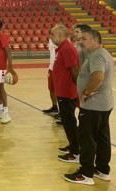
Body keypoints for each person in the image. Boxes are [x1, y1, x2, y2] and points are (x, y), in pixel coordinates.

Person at [64, 29, 113, 185]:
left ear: (95, 41)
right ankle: (102, 170)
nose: (81, 41)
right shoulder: (102, 53)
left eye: (84, 39)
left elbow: (98, 76)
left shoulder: (97, 55)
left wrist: (86, 92)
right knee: (102, 137)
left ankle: (85, 173)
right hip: (104, 104)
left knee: (88, 139)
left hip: (94, 106)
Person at [50, 25, 80, 163]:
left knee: (69, 122)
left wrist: (78, 89)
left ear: (61, 35)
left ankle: (75, 151)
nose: (51, 37)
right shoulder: (62, 48)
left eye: (53, 35)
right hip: (63, 91)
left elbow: (74, 70)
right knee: (67, 122)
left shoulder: (67, 48)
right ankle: (73, 146)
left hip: (67, 92)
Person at [42, 38, 59, 117]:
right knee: (51, 88)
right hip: (51, 68)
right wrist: (50, 68)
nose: (51, 35)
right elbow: (52, 54)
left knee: (59, 90)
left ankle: (62, 111)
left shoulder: (65, 42)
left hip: (59, 68)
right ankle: (54, 107)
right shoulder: (51, 40)